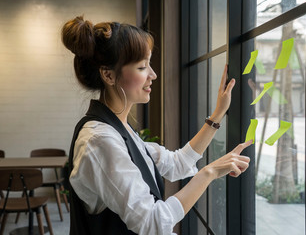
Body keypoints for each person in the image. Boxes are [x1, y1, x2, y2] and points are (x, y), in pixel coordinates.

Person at [62, 16, 252, 235]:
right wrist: (208, 173)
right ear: (108, 75)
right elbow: (153, 222)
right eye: (142, 67)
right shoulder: (99, 140)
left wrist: (218, 113)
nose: (153, 75)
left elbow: (177, 163)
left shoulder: (119, 130)